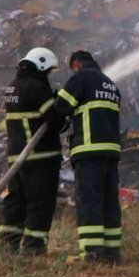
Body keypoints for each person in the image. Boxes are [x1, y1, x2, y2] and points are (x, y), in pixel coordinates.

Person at [49, 50, 123, 263]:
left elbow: (60, 107)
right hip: (111, 152)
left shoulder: (81, 78)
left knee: (89, 200)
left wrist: (56, 98)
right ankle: (112, 252)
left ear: (76, 65)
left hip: (89, 150)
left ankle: (92, 253)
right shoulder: (110, 84)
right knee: (109, 202)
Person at [0, 47, 62, 255]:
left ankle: (8, 244)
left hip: (17, 156)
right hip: (40, 157)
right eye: (49, 71)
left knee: (16, 201)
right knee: (40, 202)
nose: (49, 75)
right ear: (41, 66)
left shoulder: (12, 86)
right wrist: (61, 105)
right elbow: (55, 122)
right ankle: (34, 248)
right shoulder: (37, 88)